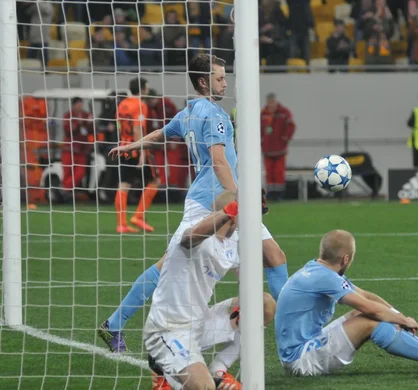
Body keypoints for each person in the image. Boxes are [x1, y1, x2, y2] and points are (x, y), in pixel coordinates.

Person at [101, 53, 288, 351]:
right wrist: (241, 198)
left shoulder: (189, 111)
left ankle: (287, 331)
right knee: (167, 267)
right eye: (219, 78)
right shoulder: (214, 115)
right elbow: (218, 161)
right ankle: (114, 324)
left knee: (274, 256)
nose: (225, 83)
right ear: (203, 81)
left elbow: (161, 134)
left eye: (225, 77)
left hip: (221, 198)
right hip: (213, 202)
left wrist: (133, 145)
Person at [275, 229, 418, 377]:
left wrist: (396, 315)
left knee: (363, 316)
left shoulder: (317, 269)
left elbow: (365, 296)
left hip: (303, 348)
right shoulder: (326, 277)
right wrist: (403, 319)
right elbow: (368, 307)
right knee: (369, 320)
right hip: (300, 360)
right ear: (346, 258)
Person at [142, 192, 275, 390]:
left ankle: (219, 370)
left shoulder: (232, 241)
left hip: (200, 323)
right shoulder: (196, 232)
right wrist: (231, 209)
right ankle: (164, 368)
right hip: (169, 329)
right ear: (234, 215)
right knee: (204, 387)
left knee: (263, 304)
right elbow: (189, 238)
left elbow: (247, 279)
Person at [115, 77, 159, 233]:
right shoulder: (140, 105)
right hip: (136, 148)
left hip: (123, 146)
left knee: (124, 185)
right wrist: (141, 153)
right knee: (155, 180)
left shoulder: (122, 104)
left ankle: (121, 224)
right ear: (142, 89)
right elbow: (137, 129)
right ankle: (138, 216)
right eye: (146, 87)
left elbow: (119, 126)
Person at [261, 93, 296, 201]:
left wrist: (285, 139)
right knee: (269, 173)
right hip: (267, 149)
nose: (271, 105)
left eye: (272, 102)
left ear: (276, 102)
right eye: (269, 102)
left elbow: (291, 126)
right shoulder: (263, 114)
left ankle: (279, 194)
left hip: (280, 149)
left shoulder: (284, 113)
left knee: (278, 172)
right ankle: (271, 194)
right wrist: (261, 141)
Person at [61, 97, 94, 195]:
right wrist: (81, 123)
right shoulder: (68, 115)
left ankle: (65, 188)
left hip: (82, 149)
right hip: (69, 149)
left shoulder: (86, 115)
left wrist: (90, 122)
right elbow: (68, 130)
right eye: (78, 104)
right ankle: (67, 190)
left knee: (80, 172)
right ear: (74, 105)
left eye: (81, 104)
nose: (80, 106)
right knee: (67, 172)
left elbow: (91, 130)